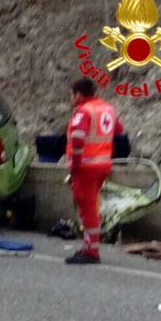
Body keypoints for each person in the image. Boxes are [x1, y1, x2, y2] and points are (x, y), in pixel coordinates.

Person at [65, 78, 122, 264]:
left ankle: (91, 251)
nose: (71, 98)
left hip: (85, 167)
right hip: (103, 165)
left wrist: (74, 165)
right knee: (92, 207)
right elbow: (118, 130)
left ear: (78, 94)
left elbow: (78, 139)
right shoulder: (106, 108)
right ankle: (90, 247)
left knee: (87, 209)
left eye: (72, 95)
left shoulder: (82, 112)